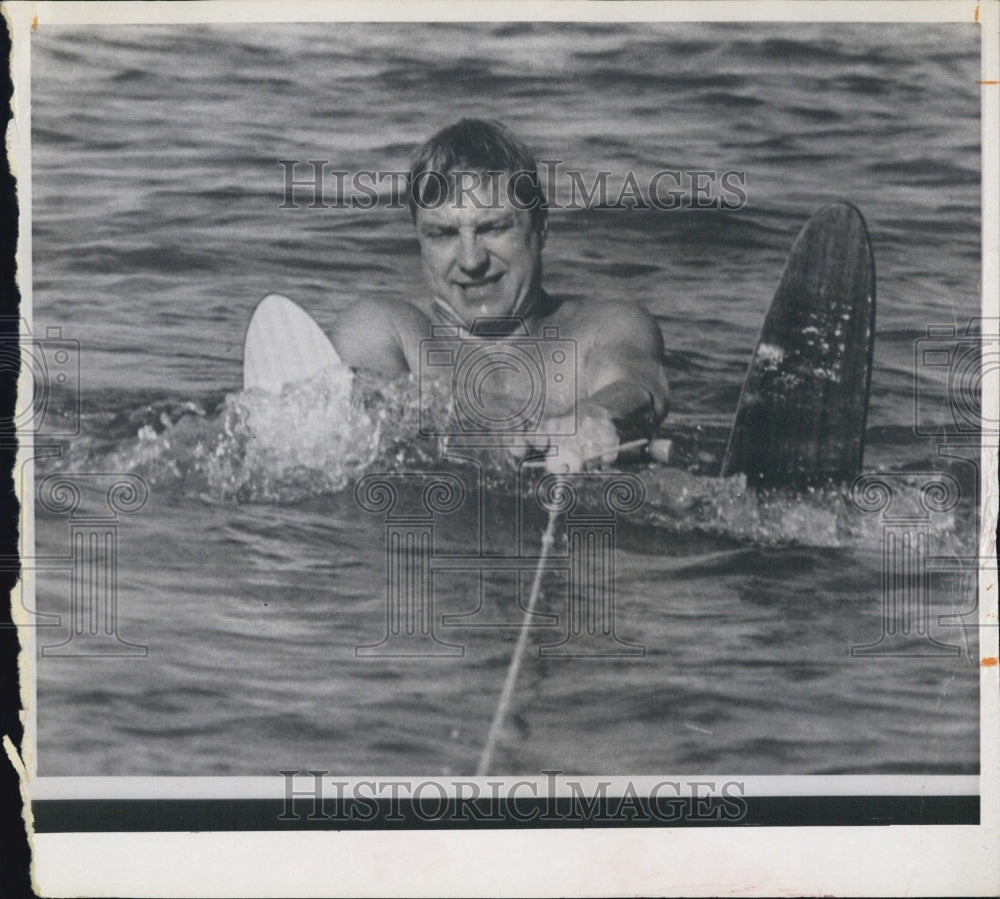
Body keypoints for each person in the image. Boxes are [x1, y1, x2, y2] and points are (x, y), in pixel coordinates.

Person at [331, 118, 669, 471]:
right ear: (420, 242)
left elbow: (638, 385)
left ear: (541, 228)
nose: (472, 260)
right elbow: (376, 404)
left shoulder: (606, 327)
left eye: (493, 228)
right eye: (443, 234)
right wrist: (481, 421)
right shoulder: (385, 328)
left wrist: (599, 414)